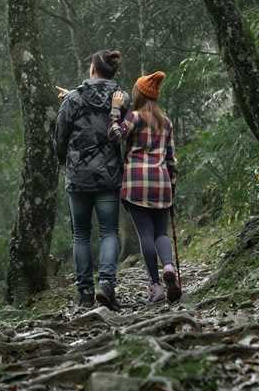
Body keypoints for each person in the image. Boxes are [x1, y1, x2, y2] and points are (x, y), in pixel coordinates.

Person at [55, 50, 130, 310]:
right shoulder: (122, 98)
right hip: (108, 174)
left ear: (93, 69)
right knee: (109, 231)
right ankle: (107, 285)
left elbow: (60, 137)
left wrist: (66, 162)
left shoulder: (73, 99)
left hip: (78, 176)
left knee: (81, 235)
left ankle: (85, 292)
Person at [109, 71, 181, 304]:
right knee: (161, 233)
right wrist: (172, 185)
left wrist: (115, 111)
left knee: (145, 234)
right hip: (161, 183)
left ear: (139, 94)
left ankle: (156, 285)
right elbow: (171, 159)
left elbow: (115, 135)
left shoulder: (134, 117)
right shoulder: (166, 122)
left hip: (136, 183)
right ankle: (169, 266)